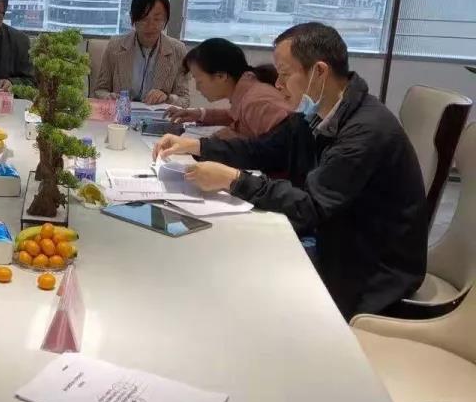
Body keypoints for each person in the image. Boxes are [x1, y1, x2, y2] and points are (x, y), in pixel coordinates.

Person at [153, 22, 427, 319]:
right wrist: (197, 146)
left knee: (233, 284)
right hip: (334, 239)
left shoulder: (364, 132)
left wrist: (234, 180)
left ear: (319, 72)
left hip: (367, 270)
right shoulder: (320, 114)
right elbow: (264, 149)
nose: (278, 84)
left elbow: (310, 207)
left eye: (285, 74)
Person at [166, 38, 291, 140]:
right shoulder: (248, 91)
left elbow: (285, 147)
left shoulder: (257, 101)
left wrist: (234, 141)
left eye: (199, 81)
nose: (198, 88)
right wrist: (199, 114)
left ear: (221, 76)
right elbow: (236, 117)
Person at [94, 0, 190, 106]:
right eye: (144, 19)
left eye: (157, 19)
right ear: (133, 18)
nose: (150, 26)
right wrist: (109, 97)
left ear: (166, 19)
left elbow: (185, 100)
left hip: (158, 116)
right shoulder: (115, 46)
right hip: (121, 114)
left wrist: (168, 98)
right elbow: (100, 90)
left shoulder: (178, 50)